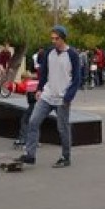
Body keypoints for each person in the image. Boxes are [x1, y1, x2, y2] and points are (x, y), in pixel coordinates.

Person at [17, 25, 83, 168]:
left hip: (62, 97)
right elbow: (44, 73)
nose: (54, 41)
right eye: (52, 38)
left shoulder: (72, 55)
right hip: (47, 95)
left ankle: (65, 157)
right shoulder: (49, 53)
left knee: (62, 128)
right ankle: (30, 155)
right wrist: (40, 89)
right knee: (33, 121)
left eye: (56, 39)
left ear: (63, 39)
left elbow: (77, 78)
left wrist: (68, 97)